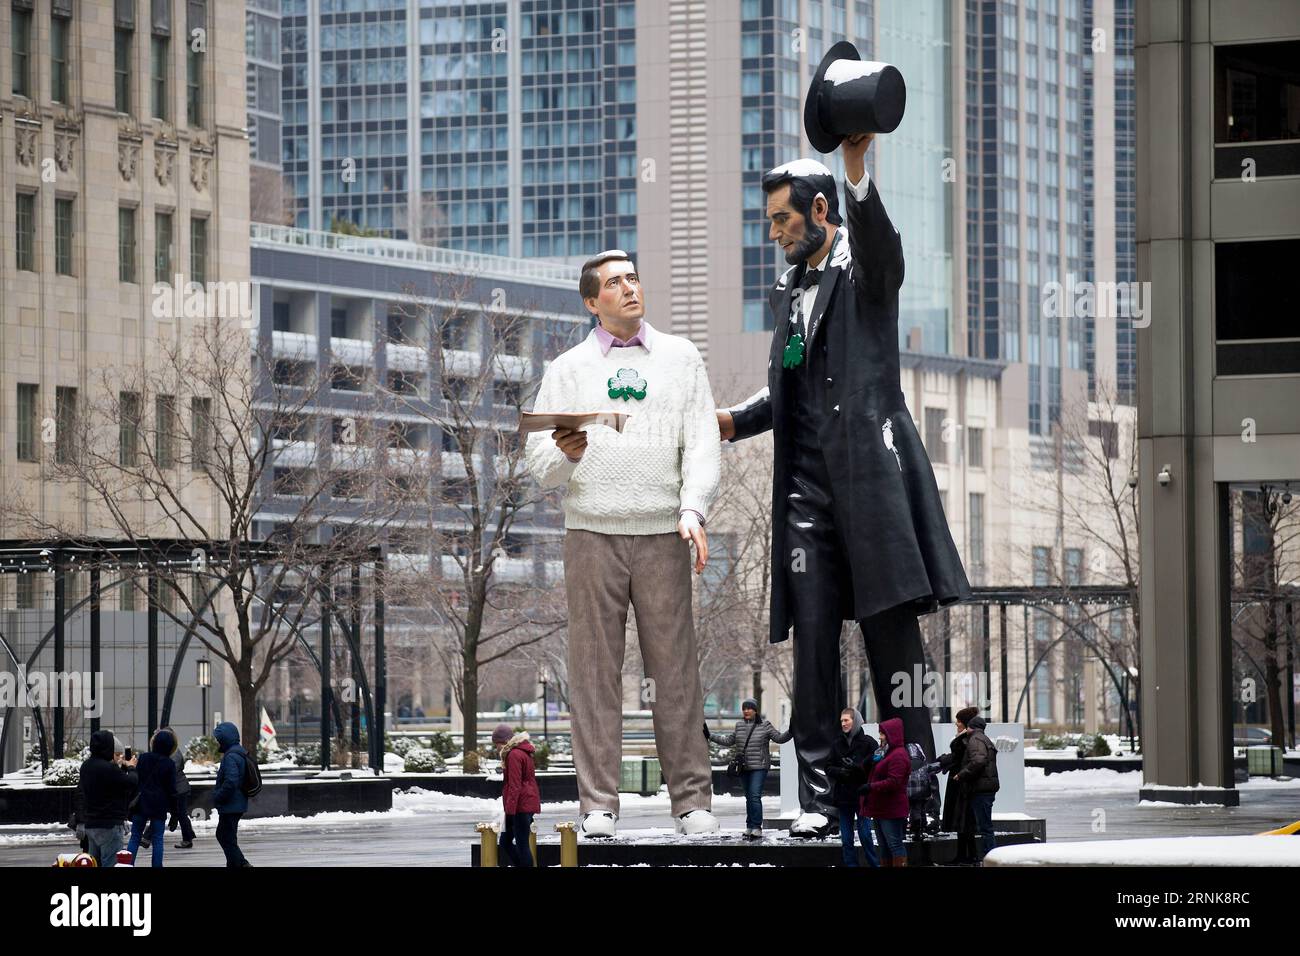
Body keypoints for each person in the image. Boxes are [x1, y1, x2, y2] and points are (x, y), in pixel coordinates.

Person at [717, 128, 970, 837]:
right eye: (768, 222)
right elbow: (788, 394)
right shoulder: (789, 291)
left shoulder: (864, 273)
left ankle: (914, 789)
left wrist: (857, 169)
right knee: (814, 644)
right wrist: (731, 422)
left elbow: (885, 254)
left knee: (894, 643)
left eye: (782, 221)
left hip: (871, 489)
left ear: (822, 211)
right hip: (805, 495)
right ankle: (821, 799)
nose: (773, 235)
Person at [525, 249, 721, 838]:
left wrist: (693, 509)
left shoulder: (682, 358)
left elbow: (703, 441)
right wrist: (566, 452)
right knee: (593, 674)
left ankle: (691, 801)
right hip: (590, 534)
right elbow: (538, 466)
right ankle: (597, 806)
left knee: (676, 671)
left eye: (634, 277)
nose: (630, 288)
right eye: (614, 283)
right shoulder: (566, 368)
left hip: (663, 532)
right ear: (592, 302)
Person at [703, 699, 793, 839]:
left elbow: (780, 738)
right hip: (743, 767)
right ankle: (750, 825)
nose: (746, 711)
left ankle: (757, 827)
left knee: (755, 796)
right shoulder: (739, 726)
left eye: (749, 708)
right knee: (748, 798)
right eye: (744, 708)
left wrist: (792, 731)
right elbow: (728, 740)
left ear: (755, 710)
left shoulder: (765, 725)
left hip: (759, 767)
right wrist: (710, 736)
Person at [825, 708, 878, 866]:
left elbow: (875, 767)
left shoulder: (869, 742)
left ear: (855, 721)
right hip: (843, 797)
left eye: (846, 720)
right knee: (846, 838)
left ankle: (873, 864)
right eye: (842, 721)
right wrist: (840, 771)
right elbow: (828, 767)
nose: (843, 723)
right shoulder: (837, 743)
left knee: (865, 835)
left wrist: (856, 767)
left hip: (862, 795)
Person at [78, 730, 138, 867]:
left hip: (92, 824)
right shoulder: (109, 768)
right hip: (110, 824)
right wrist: (131, 768)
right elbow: (131, 783)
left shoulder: (86, 766)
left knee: (94, 863)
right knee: (111, 863)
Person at [861, 717, 911, 867]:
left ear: (892, 735)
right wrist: (869, 763)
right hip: (881, 808)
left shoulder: (899, 755)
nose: (880, 737)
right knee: (884, 846)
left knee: (894, 844)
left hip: (892, 809)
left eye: (882, 734)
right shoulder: (887, 753)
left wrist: (871, 787)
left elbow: (894, 782)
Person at [952, 714, 1000, 863]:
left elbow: (979, 760)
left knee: (985, 827)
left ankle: (990, 859)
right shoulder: (983, 738)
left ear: (970, 727)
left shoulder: (975, 739)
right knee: (985, 826)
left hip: (981, 790)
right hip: (985, 788)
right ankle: (990, 858)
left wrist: (961, 774)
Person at [126, 729, 177, 867]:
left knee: (135, 836)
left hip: (142, 802)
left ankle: (128, 864)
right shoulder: (169, 764)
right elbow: (172, 790)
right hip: (159, 805)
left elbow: (136, 779)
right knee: (158, 839)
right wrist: (174, 813)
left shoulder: (144, 758)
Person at [494, 723, 542, 866]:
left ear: (503, 741)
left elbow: (515, 785)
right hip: (523, 803)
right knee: (506, 842)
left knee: (521, 845)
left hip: (520, 806)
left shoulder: (514, 755)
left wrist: (510, 811)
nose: (496, 747)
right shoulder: (520, 752)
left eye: (496, 743)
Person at [938, 706, 979, 865]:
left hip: (961, 784)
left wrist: (944, 761)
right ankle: (965, 855)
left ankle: (969, 855)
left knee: (964, 822)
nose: (956, 724)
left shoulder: (965, 740)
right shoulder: (965, 738)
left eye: (959, 721)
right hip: (959, 782)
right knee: (963, 822)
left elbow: (959, 758)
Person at [211, 721, 253, 867]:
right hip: (237, 803)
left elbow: (231, 782)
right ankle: (235, 863)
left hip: (231, 804)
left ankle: (241, 863)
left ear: (225, 739)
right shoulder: (239, 752)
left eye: (219, 739)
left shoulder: (230, 756)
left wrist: (218, 796)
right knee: (227, 836)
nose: (217, 742)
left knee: (224, 836)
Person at [160, 727, 196, 849]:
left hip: (178, 788)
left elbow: (170, 771)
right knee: (180, 813)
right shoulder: (172, 751)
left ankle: (187, 838)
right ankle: (188, 836)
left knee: (179, 813)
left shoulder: (173, 753)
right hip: (179, 787)